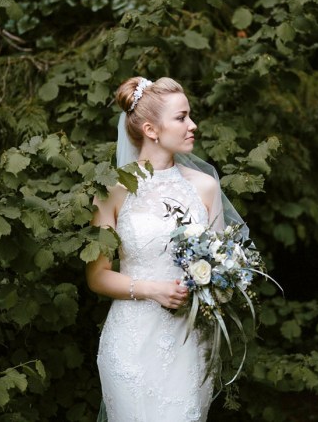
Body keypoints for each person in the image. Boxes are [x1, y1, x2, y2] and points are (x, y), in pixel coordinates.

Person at [87, 77, 227, 421]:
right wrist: (153, 290)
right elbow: (97, 276)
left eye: (189, 116)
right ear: (151, 129)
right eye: (181, 118)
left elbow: (222, 269)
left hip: (188, 343)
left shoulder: (206, 188)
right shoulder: (113, 191)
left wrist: (216, 285)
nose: (192, 125)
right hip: (130, 344)